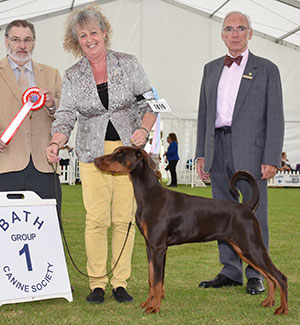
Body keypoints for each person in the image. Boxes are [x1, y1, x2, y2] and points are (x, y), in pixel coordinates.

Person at [46, 5, 157, 304]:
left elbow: (150, 104)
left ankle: (120, 282)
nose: (90, 39)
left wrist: (143, 132)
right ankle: (97, 283)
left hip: (127, 156)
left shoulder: (129, 63)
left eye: (94, 32)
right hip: (92, 154)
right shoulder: (72, 75)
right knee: (96, 219)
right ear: (76, 40)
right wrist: (56, 142)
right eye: (83, 35)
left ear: (104, 32)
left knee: (124, 219)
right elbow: (66, 115)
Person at [195, 11, 284, 295]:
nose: (235, 34)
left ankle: (256, 272)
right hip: (217, 149)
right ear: (222, 34)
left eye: (240, 28)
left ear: (250, 33)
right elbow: (203, 115)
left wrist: (271, 157)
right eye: (229, 29)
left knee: (255, 215)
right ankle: (230, 270)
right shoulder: (210, 69)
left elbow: (275, 117)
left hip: (252, 151)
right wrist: (201, 153)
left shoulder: (267, 69)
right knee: (220, 214)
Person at [0, 20, 62, 210]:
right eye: (16, 39)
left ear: (34, 42)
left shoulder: (52, 74)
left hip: (44, 166)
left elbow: (66, 116)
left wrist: (52, 105)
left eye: (27, 40)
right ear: (6, 42)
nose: (22, 45)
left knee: (48, 231)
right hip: (6, 165)